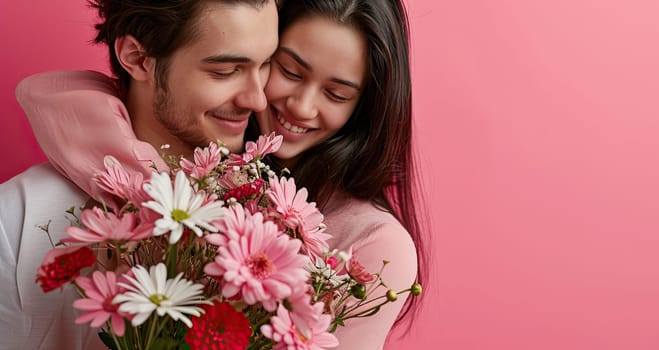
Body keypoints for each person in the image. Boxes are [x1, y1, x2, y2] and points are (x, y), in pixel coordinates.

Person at [21, 0, 429, 348]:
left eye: (337, 94)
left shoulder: (374, 244)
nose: (302, 107)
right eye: (285, 69)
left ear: (365, 107)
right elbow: (74, 113)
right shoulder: (211, 158)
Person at [0, 1, 279, 349]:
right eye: (225, 71)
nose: (258, 100)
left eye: (266, 64)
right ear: (137, 58)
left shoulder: (271, 210)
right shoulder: (17, 220)